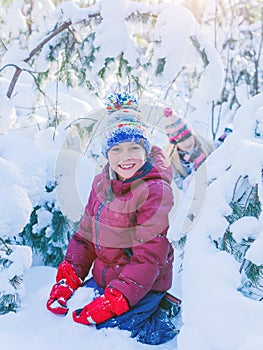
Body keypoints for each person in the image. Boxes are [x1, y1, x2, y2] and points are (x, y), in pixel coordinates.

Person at [46, 92, 178, 345]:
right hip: (106, 276)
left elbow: (149, 257)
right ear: (107, 153)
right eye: (116, 149)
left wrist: (117, 299)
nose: (125, 157)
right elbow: (85, 237)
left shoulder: (155, 191)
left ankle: (162, 314)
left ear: (145, 150)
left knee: (111, 332)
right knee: (71, 314)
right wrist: (68, 278)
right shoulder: (101, 183)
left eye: (134, 148)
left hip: (144, 282)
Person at [163, 107, 214, 190]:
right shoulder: (174, 165)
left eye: (187, 136)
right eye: (181, 140)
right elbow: (180, 189)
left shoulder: (206, 146)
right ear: (174, 143)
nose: (187, 142)